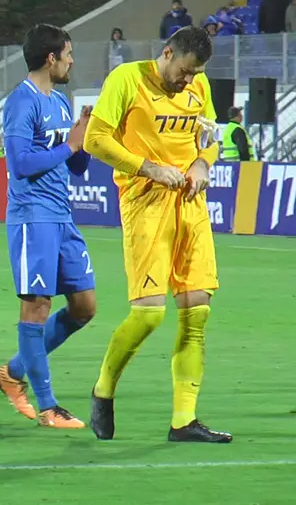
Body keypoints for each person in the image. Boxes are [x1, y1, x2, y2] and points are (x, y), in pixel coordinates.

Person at [85, 26, 230, 443]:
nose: (189, 80)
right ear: (167, 53)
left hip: (191, 204)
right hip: (145, 203)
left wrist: (202, 164)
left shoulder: (199, 84)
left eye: (195, 73)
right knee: (149, 314)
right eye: (184, 70)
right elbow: (95, 139)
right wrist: (149, 168)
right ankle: (103, 389)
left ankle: (184, 420)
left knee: (197, 312)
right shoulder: (127, 79)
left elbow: (210, 137)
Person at [0, 24, 95, 429]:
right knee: (37, 307)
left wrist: (83, 142)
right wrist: (68, 145)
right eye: (68, 54)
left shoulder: (60, 101)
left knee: (84, 306)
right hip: (32, 217)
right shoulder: (22, 101)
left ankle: (13, 371)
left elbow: (75, 165)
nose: (72, 61)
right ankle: (49, 407)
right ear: (51, 59)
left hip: (61, 215)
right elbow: (19, 164)